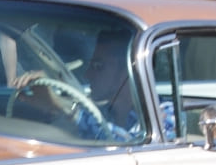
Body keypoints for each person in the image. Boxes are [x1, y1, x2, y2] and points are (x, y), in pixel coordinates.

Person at [14, 29, 144, 144]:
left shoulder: (162, 117)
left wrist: (63, 106)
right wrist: (51, 107)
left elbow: (128, 148)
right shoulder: (102, 114)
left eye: (98, 66)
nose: (88, 75)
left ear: (127, 73)